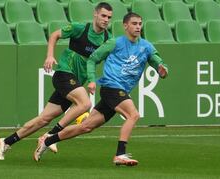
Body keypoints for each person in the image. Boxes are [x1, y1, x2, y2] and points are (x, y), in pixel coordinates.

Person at [33, 12, 168, 166]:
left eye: (139, 24)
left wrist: (162, 69)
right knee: (133, 114)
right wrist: (91, 80)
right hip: (111, 87)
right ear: (125, 26)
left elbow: (159, 62)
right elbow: (92, 59)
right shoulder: (114, 43)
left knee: (86, 127)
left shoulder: (147, 47)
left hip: (121, 92)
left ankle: (47, 140)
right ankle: (120, 154)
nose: (138, 27)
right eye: (134, 23)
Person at [0, 2, 113, 160]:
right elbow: (54, 35)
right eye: (103, 15)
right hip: (64, 73)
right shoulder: (80, 28)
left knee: (43, 118)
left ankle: (6, 141)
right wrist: (50, 55)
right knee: (85, 104)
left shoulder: (108, 39)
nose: (106, 20)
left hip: (76, 82)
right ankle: (50, 136)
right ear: (96, 14)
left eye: (109, 17)